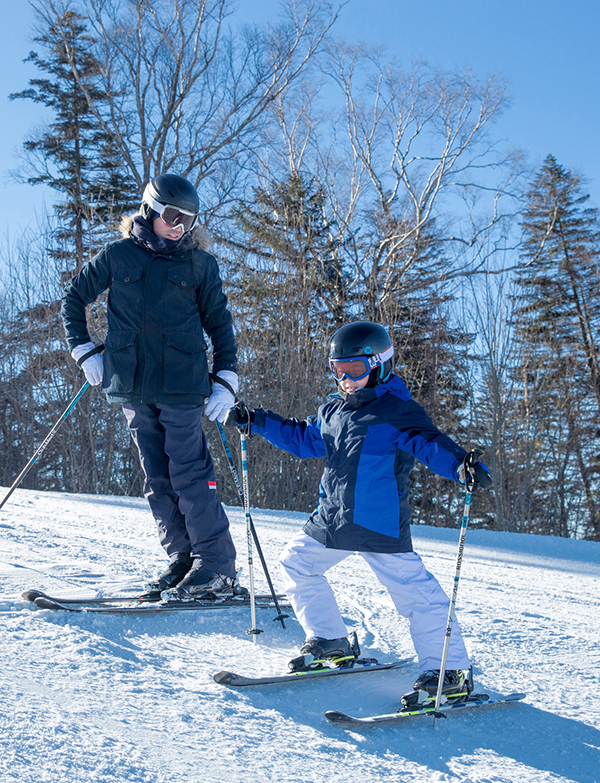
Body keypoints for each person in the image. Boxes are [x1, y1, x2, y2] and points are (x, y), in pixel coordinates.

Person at [224, 321, 491, 708]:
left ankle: (447, 671)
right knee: (296, 563)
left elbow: (432, 444)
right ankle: (330, 640)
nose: (346, 380)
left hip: (378, 525)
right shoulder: (332, 411)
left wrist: (461, 466)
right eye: (338, 370)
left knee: (419, 597)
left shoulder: (398, 411)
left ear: (380, 365)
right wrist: (258, 421)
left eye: (355, 370)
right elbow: (304, 439)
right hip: (331, 521)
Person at [61, 173, 242, 601]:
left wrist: (226, 379)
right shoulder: (118, 255)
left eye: (189, 220)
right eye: (174, 216)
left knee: (188, 473)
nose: (180, 226)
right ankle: (183, 558)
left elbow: (220, 324)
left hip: (182, 384)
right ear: (151, 209)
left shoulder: (200, 265)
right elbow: (73, 297)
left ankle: (215, 565)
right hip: (131, 384)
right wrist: (84, 350)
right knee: (156, 478)